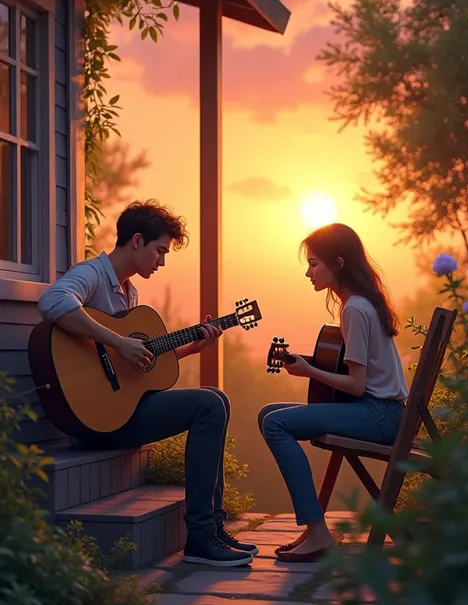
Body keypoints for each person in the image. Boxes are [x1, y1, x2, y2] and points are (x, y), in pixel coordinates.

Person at [38, 200, 259, 567]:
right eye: (160, 251)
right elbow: (52, 300)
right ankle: (201, 538)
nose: (162, 261)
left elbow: (136, 370)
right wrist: (117, 341)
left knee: (215, 398)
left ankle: (212, 530)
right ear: (136, 241)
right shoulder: (92, 274)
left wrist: (190, 348)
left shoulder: (130, 295)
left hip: (118, 412)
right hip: (93, 420)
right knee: (208, 405)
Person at [258, 223, 408, 563]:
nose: (308, 272)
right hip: (382, 410)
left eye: (314, 264)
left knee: (276, 425)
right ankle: (314, 530)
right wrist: (311, 364)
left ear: (338, 263)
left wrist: (309, 370)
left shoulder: (355, 308)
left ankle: (318, 532)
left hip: (380, 415)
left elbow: (356, 385)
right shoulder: (360, 303)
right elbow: (357, 374)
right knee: (268, 414)